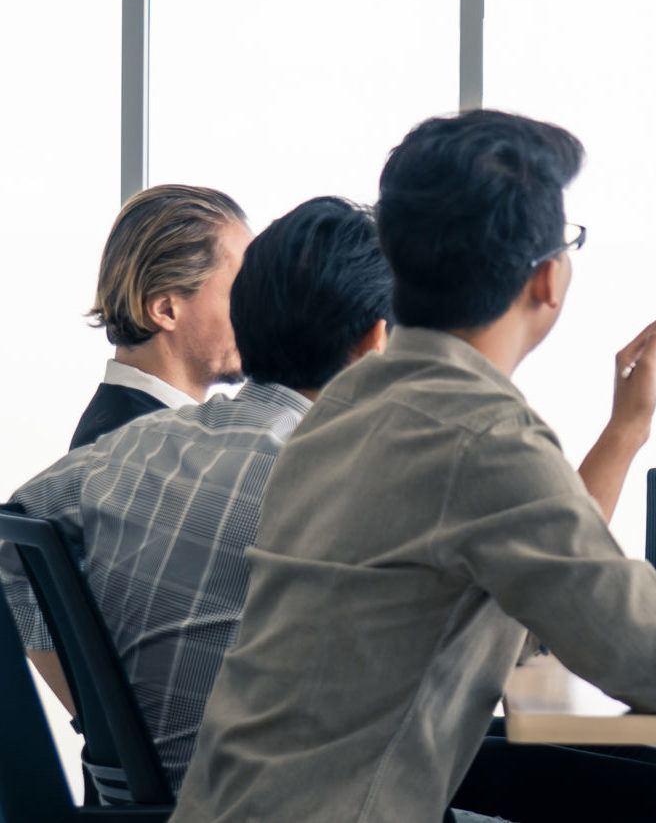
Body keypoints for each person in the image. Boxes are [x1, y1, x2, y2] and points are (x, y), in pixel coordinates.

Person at [171, 111, 656, 823]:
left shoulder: (347, 406)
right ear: (546, 280)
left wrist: (625, 428)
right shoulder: (481, 434)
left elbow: (543, 609)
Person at [1, 196, 391, 790]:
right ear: (165, 308)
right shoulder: (138, 447)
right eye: (243, 284)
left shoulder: (140, 445)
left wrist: (113, 729)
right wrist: (104, 717)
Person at [70, 183, 250, 449]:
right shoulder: (147, 452)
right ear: (165, 310)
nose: (257, 309)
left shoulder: (118, 425)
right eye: (240, 293)